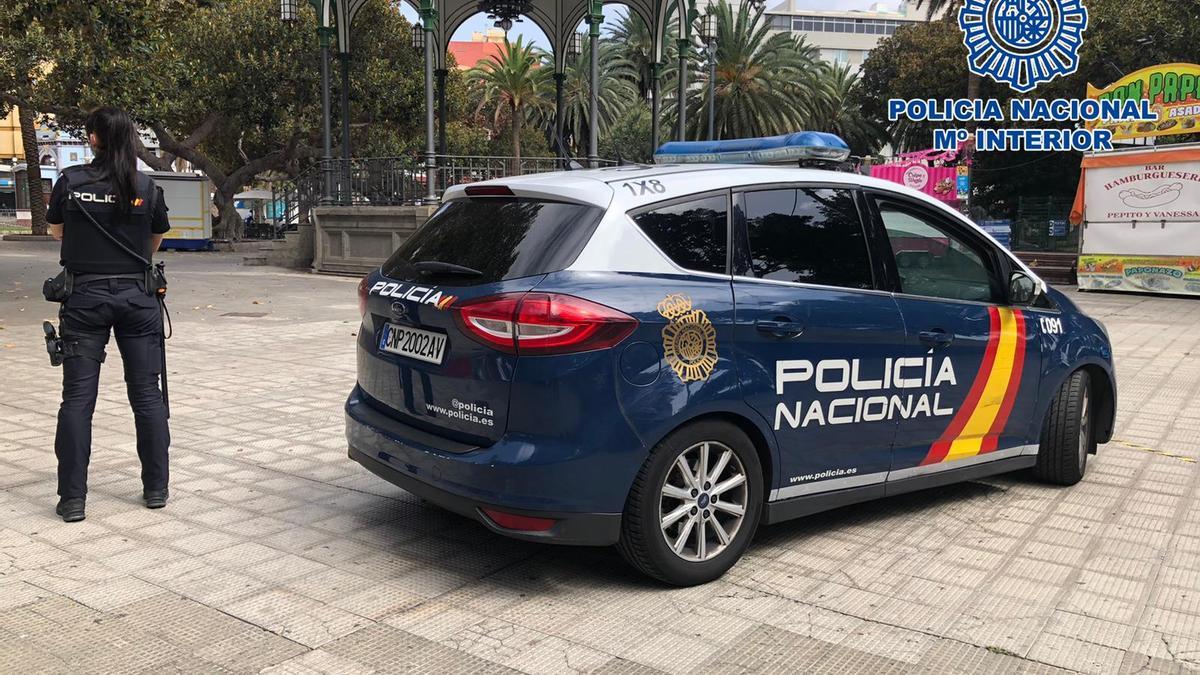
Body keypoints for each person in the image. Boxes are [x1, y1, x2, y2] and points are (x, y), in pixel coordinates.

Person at [46, 106, 172, 522]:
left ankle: (72, 500)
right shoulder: (146, 185)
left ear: (94, 138)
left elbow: (57, 231)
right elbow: (154, 242)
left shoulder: (72, 182)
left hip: (84, 299)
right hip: (137, 299)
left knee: (78, 400)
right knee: (147, 394)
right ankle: (156, 489)